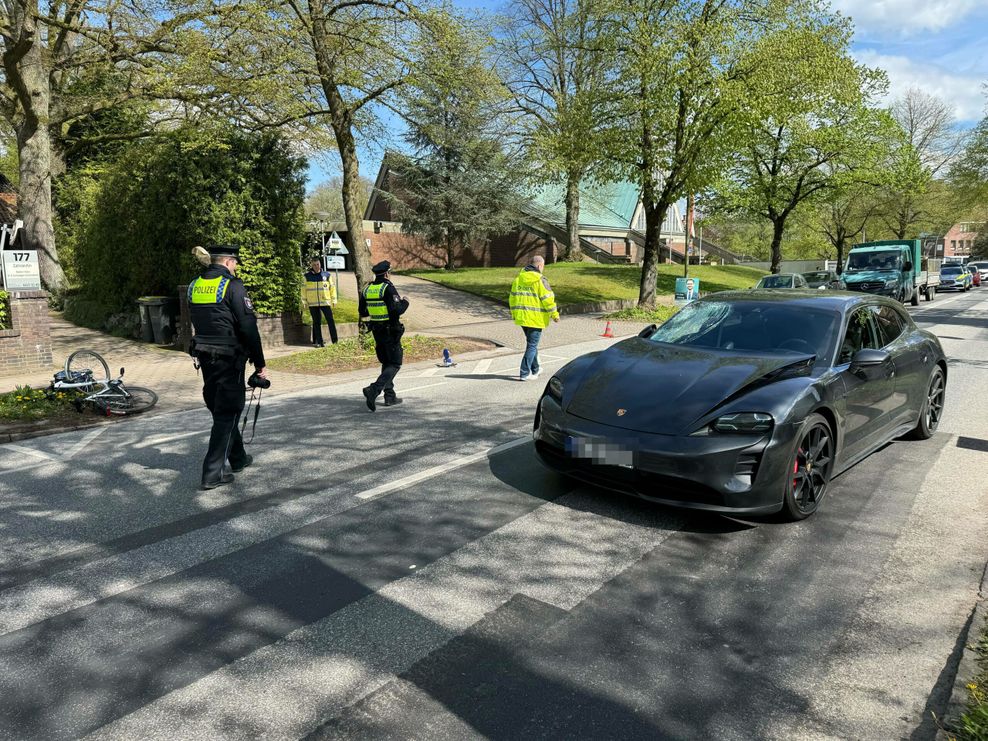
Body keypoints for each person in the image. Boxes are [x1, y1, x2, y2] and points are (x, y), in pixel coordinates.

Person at [188, 244, 268, 490]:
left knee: (219, 404)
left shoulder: (194, 286)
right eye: (234, 263)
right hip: (228, 357)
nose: (235, 268)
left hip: (204, 355)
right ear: (228, 262)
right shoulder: (233, 286)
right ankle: (212, 473)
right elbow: (248, 327)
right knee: (227, 411)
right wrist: (260, 363)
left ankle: (238, 458)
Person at [359, 260, 409, 411]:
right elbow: (396, 310)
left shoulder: (367, 289)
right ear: (387, 273)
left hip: (377, 330)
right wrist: (405, 302)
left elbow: (363, 312)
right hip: (390, 331)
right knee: (395, 363)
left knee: (386, 362)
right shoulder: (388, 287)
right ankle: (374, 389)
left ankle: (390, 396)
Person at [508, 255, 559, 381]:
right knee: (531, 346)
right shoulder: (541, 280)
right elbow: (548, 299)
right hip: (536, 319)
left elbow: (512, 298)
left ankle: (536, 369)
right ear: (540, 266)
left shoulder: (519, 279)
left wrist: (514, 314)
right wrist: (555, 315)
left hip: (522, 318)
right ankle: (524, 372)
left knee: (532, 344)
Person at [303, 256, 338, 347]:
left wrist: (334, 299)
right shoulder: (307, 276)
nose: (316, 266)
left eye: (317, 264)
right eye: (314, 265)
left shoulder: (327, 275)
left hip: (325, 302)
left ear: (320, 264)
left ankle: (335, 341)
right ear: (311, 265)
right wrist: (304, 302)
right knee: (316, 322)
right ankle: (319, 342)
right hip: (312, 303)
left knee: (330, 321)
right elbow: (303, 290)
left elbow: (332, 288)